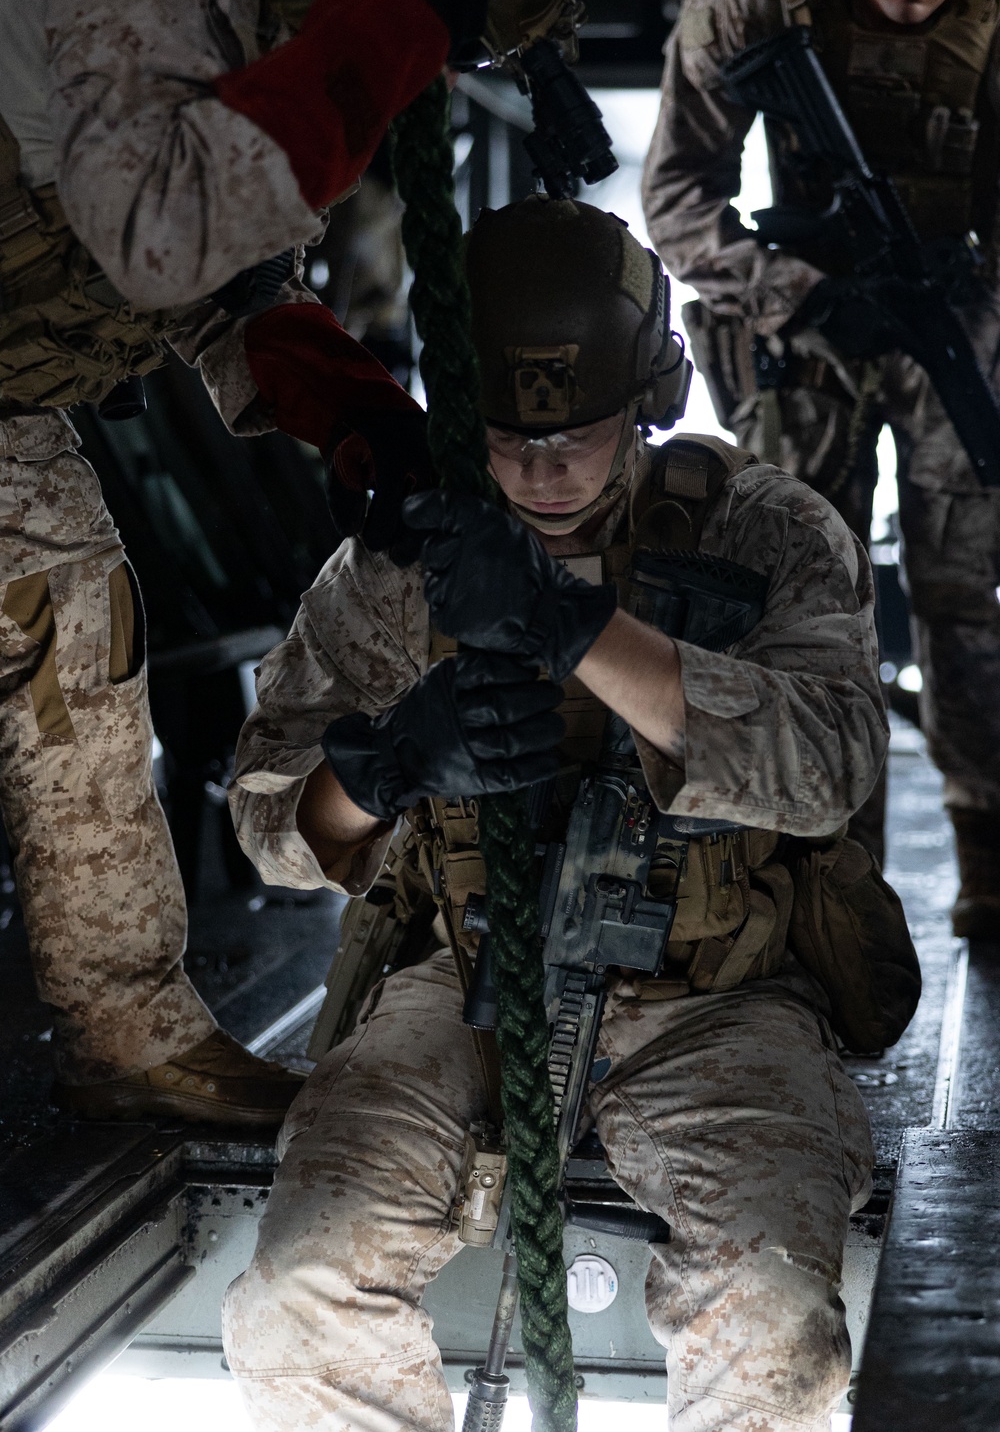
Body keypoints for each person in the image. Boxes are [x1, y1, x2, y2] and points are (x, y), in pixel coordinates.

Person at [220, 197, 887, 1432]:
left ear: (647, 393)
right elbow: (266, 818)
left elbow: (833, 759)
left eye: (574, 434)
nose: (539, 471)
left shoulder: (761, 530)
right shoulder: (395, 567)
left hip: (714, 991)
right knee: (296, 1294)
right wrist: (383, 765)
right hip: (459, 977)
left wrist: (576, 628)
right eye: (505, 437)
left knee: (774, 1322)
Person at [0, 0, 488, 1120]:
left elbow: (218, 278)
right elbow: (159, 222)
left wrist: (351, 409)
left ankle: (128, 1034)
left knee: (75, 633)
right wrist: (390, 26)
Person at [642, 0, 1000, 930]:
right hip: (804, 333)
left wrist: (971, 326)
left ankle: (986, 845)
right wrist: (799, 294)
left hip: (956, 325)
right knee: (809, 599)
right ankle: (823, 866)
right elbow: (676, 199)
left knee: (966, 592)